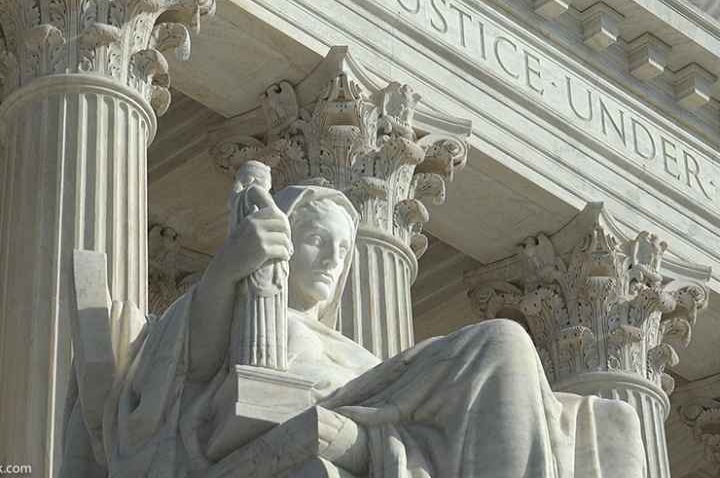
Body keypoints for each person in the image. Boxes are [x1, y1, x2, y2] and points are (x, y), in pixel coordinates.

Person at [62, 180, 647, 477]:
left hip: (381, 421)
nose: (332, 259)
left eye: (343, 249)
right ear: (282, 243)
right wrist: (227, 270)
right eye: (315, 239)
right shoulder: (234, 313)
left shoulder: (351, 347)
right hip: (322, 421)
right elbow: (191, 378)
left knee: (614, 422)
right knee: (504, 343)